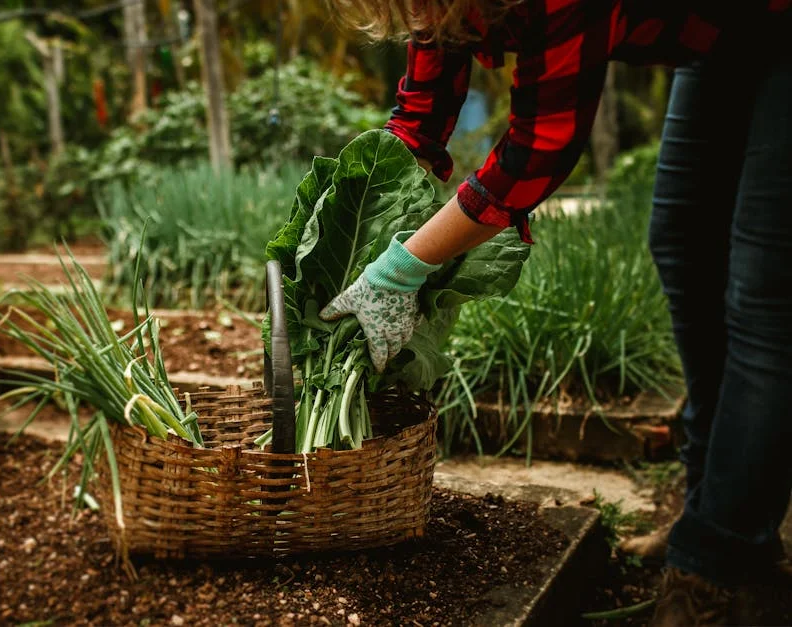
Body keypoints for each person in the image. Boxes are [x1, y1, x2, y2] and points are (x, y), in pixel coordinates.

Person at [318, 1, 792, 624]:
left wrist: (401, 269)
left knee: (767, 300)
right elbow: (418, 119)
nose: (415, 14)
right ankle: (716, 515)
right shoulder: (439, 5)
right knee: (682, 244)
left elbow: (538, 149)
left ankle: (717, 571)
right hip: (717, 36)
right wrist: (346, 222)